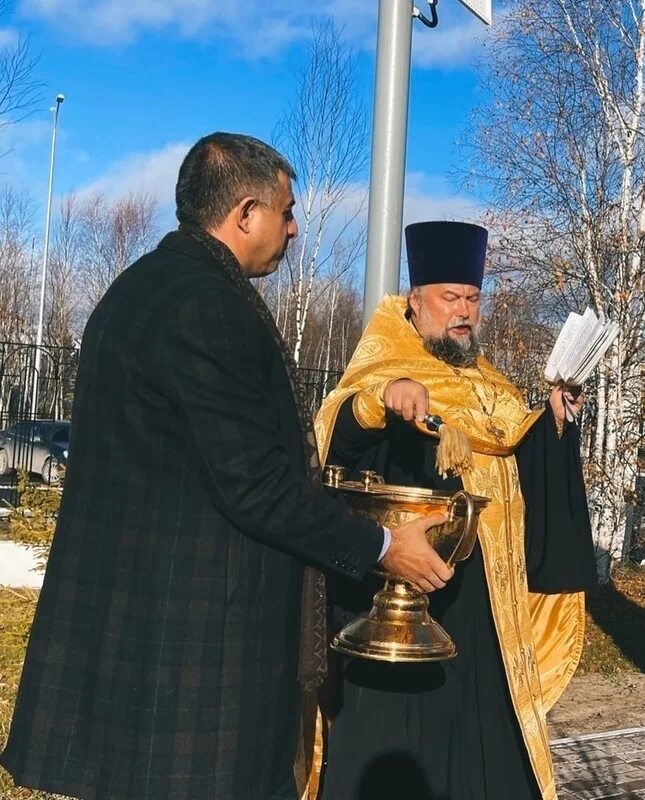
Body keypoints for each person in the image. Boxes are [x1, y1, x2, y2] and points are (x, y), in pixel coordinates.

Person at [0, 133, 450, 800]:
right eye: (287, 211)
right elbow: (256, 485)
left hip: (148, 622)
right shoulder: (204, 305)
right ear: (245, 212)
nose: (294, 229)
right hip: (198, 643)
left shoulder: (142, 289)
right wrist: (384, 546)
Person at [311, 221, 597, 800]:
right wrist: (379, 402)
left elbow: (516, 453)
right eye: (450, 298)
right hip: (398, 593)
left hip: (482, 603)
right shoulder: (384, 363)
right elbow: (334, 439)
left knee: (484, 743)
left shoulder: (488, 383)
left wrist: (554, 420)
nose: (463, 311)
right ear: (415, 302)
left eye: (471, 298)